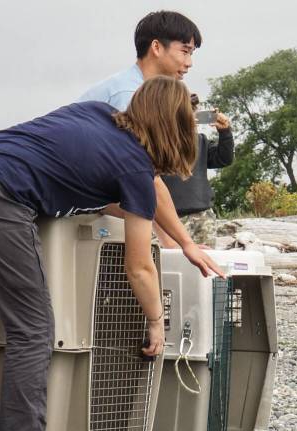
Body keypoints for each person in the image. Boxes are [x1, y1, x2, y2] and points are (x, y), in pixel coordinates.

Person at [0, 77, 210, 431]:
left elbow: (104, 191)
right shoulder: (133, 163)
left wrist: (184, 241)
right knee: (34, 328)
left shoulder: (97, 116)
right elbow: (139, 267)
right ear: (174, 124)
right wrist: (156, 321)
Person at [79, 10, 220, 262]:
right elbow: (146, 182)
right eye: (185, 51)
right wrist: (178, 246)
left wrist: (177, 244)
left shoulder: (146, 92)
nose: (189, 63)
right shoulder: (131, 96)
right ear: (156, 47)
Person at [159, 94, 233, 247]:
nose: (194, 117)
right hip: (170, 218)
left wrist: (225, 133)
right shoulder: (158, 141)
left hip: (203, 216)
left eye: (195, 111)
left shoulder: (200, 140)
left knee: (204, 266)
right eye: (190, 112)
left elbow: (223, 159)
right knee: (171, 264)